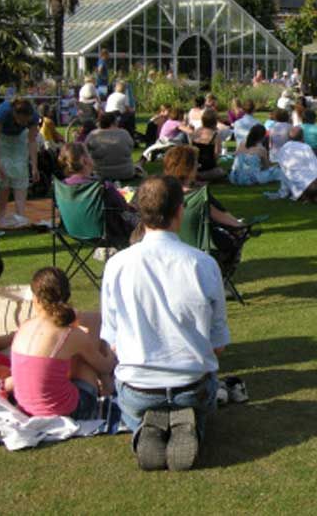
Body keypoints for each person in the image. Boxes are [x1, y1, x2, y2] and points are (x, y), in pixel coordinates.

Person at [101, 175, 229, 471]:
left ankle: (145, 428)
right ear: (180, 210)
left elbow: (113, 340)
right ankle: (188, 425)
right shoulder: (203, 264)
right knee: (201, 398)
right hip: (191, 383)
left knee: (138, 408)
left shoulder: (117, 265)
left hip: (138, 386)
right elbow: (218, 345)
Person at [7, 267, 116, 419]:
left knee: (74, 356)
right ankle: (107, 388)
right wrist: (110, 350)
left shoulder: (25, 326)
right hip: (63, 411)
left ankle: (106, 386)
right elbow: (105, 366)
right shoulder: (69, 334)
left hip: (27, 407)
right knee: (86, 360)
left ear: (36, 298)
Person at [59, 143, 137, 243]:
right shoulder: (102, 187)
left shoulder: (63, 186)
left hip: (75, 230)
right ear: (84, 160)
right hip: (108, 232)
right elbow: (122, 206)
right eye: (89, 154)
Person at [0, 98, 40, 227]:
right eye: (21, 120)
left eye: (26, 121)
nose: (24, 123)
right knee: (4, 174)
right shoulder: (3, 112)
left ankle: (20, 214)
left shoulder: (34, 117)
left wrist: (34, 166)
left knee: (21, 172)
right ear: (14, 114)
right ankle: (2, 212)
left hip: (18, 138)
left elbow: (31, 141)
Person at [85, 112, 135, 181]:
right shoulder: (124, 133)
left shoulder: (93, 135)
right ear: (114, 122)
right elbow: (131, 148)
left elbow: (85, 151)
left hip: (101, 174)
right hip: (126, 173)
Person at [189, 108, 225, 182]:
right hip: (208, 167)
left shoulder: (196, 132)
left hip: (195, 167)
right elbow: (216, 154)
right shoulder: (215, 135)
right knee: (221, 172)